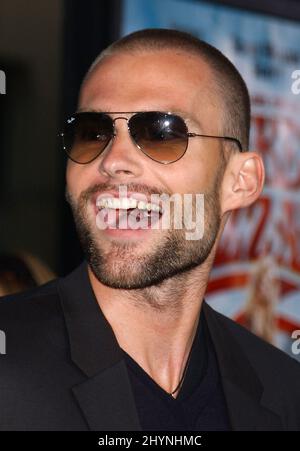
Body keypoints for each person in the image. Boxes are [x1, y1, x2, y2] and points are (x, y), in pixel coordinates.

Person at [0, 28, 299, 431]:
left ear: (239, 181)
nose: (113, 160)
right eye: (93, 133)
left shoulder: (282, 392)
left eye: (161, 133)